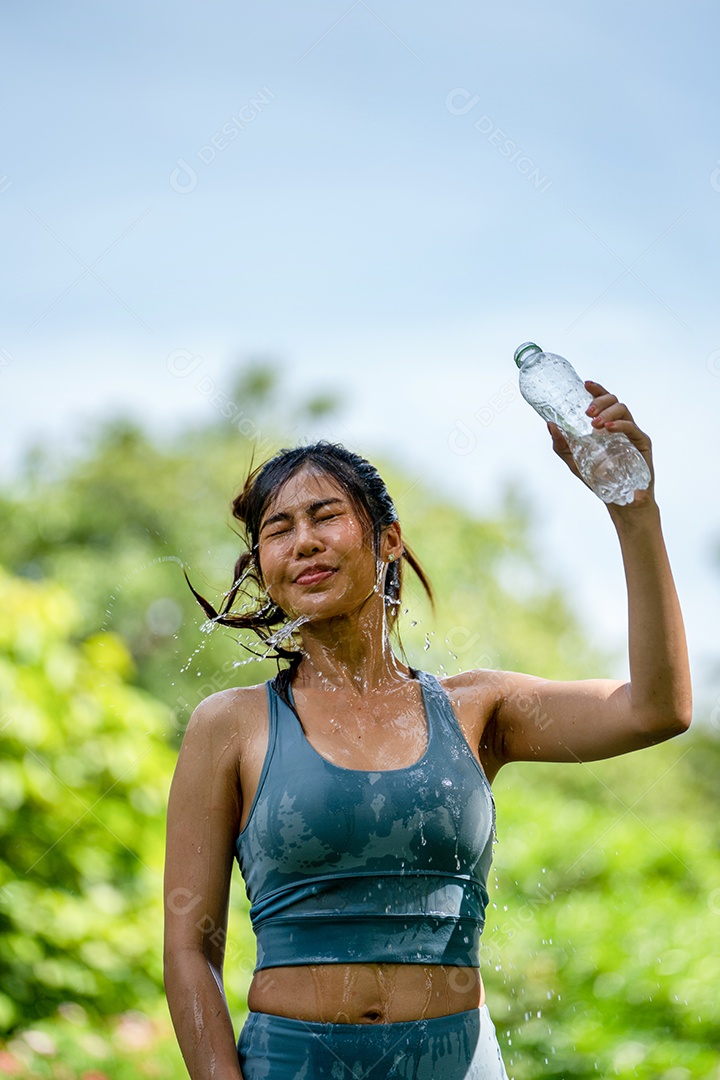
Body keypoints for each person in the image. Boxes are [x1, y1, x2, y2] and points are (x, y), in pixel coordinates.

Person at [163, 381, 692, 1080]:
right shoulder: (231, 725)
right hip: (292, 1063)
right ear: (263, 565)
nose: (304, 542)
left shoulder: (479, 709)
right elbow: (187, 949)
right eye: (278, 529)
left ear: (387, 541)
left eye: (326, 516)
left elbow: (656, 709)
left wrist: (634, 509)